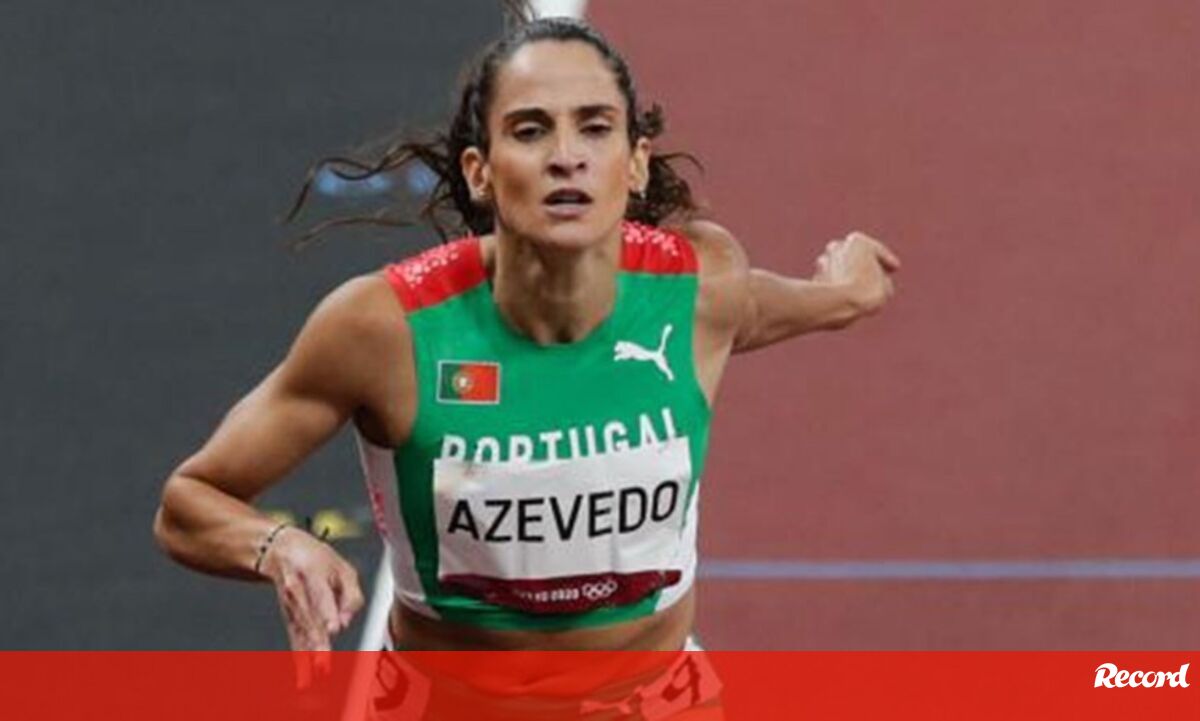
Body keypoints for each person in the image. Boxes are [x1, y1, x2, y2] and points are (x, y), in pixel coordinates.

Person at [153, 7, 899, 716]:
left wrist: (846, 293)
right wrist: (279, 545)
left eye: (595, 127)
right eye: (531, 130)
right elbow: (189, 501)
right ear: (480, 171)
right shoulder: (386, 330)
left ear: (635, 164)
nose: (566, 155)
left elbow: (759, 309)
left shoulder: (699, 291)